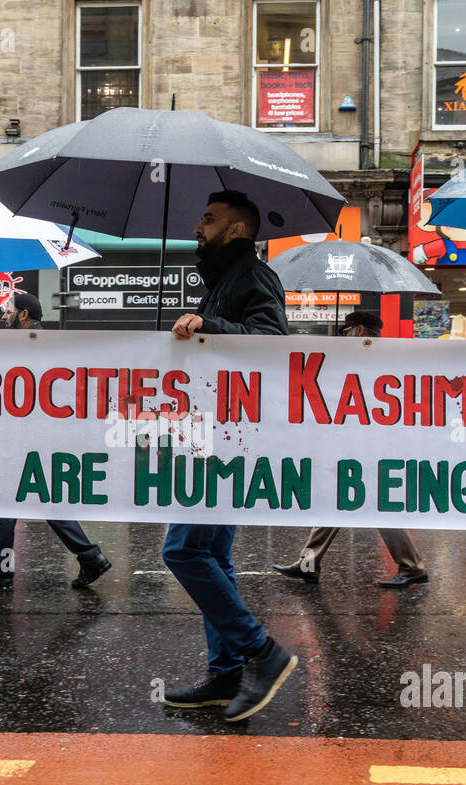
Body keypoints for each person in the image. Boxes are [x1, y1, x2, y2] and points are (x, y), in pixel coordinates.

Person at [160, 190, 298, 722]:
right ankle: (224, 676)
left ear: (237, 230)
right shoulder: (222, 279)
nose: (199, 225)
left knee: (184, 551)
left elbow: (271, 341)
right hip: (213, 434)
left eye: (209, 218)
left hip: (232, 441)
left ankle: (264, 653)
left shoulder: (253, 276)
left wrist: (208, 326)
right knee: (211, 556)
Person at [0, 292, 112, 593]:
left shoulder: (31, 345)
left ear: (23, 315)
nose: (3, 316)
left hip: (27, 434)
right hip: (40, 434)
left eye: (7, 311)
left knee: (4, 498)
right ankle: (90, 556)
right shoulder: (35, 343)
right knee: (42, 498)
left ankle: (0, 573)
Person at [271, 311, 430, 589]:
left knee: (369, 506)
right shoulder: (377, 357)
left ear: (359, 331)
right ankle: (309, 564)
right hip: (363, 443)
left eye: (346, 332)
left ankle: (412, 567)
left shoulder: (375, 359)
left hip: (372, 445)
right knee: (340, 503)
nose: (343, 337)